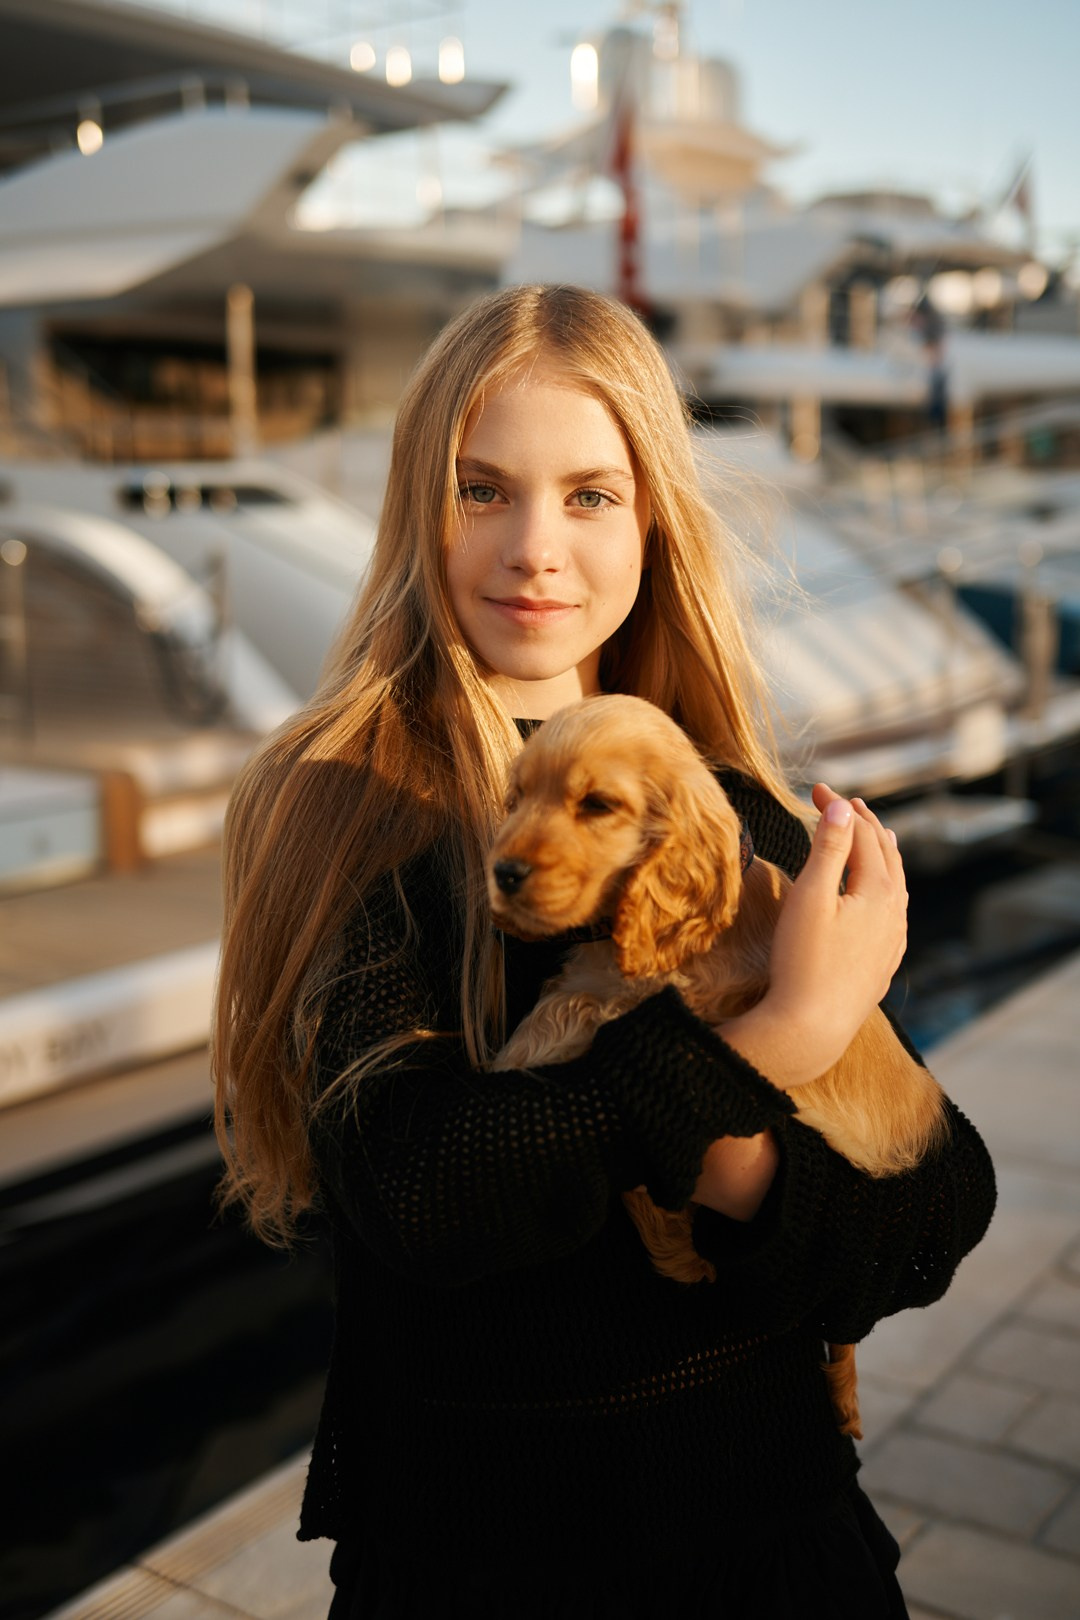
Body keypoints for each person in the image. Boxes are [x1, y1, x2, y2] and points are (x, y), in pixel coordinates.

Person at [213, 283, 996, 1619]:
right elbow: (422, 1194)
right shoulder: (350, 802)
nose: (535, 548)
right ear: (418, 504)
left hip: (773, 1543)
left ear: (652, 522)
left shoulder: (734, 807)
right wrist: (772, 1045)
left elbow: (935, 1209)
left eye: (589, 494)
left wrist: (763, 1113)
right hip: (478, 1568)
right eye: (482, 489)